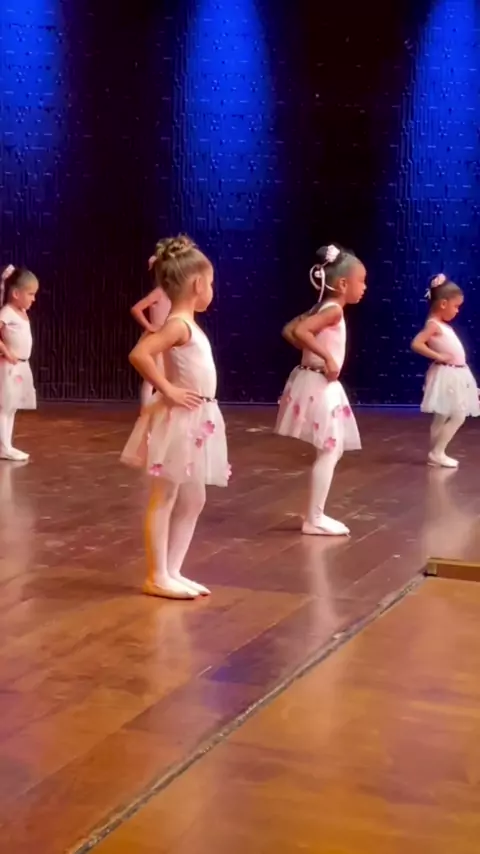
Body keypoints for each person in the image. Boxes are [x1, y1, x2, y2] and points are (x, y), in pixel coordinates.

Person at [122, 235, 230, 600]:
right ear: (198, 284)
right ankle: (157, 575)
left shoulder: (187, 325)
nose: (212, 289)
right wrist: (167, 389)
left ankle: (173, 570)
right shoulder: (178, 324)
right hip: (180, 420)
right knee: (165, 496)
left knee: (194, 497)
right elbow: (140, 354)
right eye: (210, 282)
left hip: (197, 418)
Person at [275, 244, 366, 536]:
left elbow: (291, 330)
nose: (364, 287)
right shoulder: (334, 310)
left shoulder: (323, 308)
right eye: (361, 281)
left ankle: (316, 514)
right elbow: (300, 332)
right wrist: (326, 357)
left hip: (316, 381)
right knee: (330, 448)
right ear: (343, 284)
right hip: (320, 384)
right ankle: (314, 517)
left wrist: (314, 353)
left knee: (330, 448)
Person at [411, 273, 479, 468]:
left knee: (443, 414)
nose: (457, 311)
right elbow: (416, 343)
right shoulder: (433, 325)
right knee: (457, 414)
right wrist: (438, 356)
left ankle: (436, 452)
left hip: (456, 373)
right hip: (448, 373)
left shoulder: (440, 325)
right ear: (443, 304)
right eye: (456, 306)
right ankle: (437, 452)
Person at [0, 265, 39, 461]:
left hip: (20, 366)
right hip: (9, 366)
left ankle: (6, 444)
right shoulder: (7, 312)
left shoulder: (21, 312)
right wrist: (6, 352)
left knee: (12, 407)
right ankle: (3, 446)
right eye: (30, 294)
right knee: (4, 407)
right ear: (16, 294)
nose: (34, 299)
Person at [130, 251, 172, 407]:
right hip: (157, 338)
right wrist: (149, 326)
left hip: (168, 338)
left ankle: (161, 410)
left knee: (165, 375)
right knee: (152, 377)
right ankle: (146, 411)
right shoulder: (159, 292)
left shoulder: (174, 294)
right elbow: (136, 309)